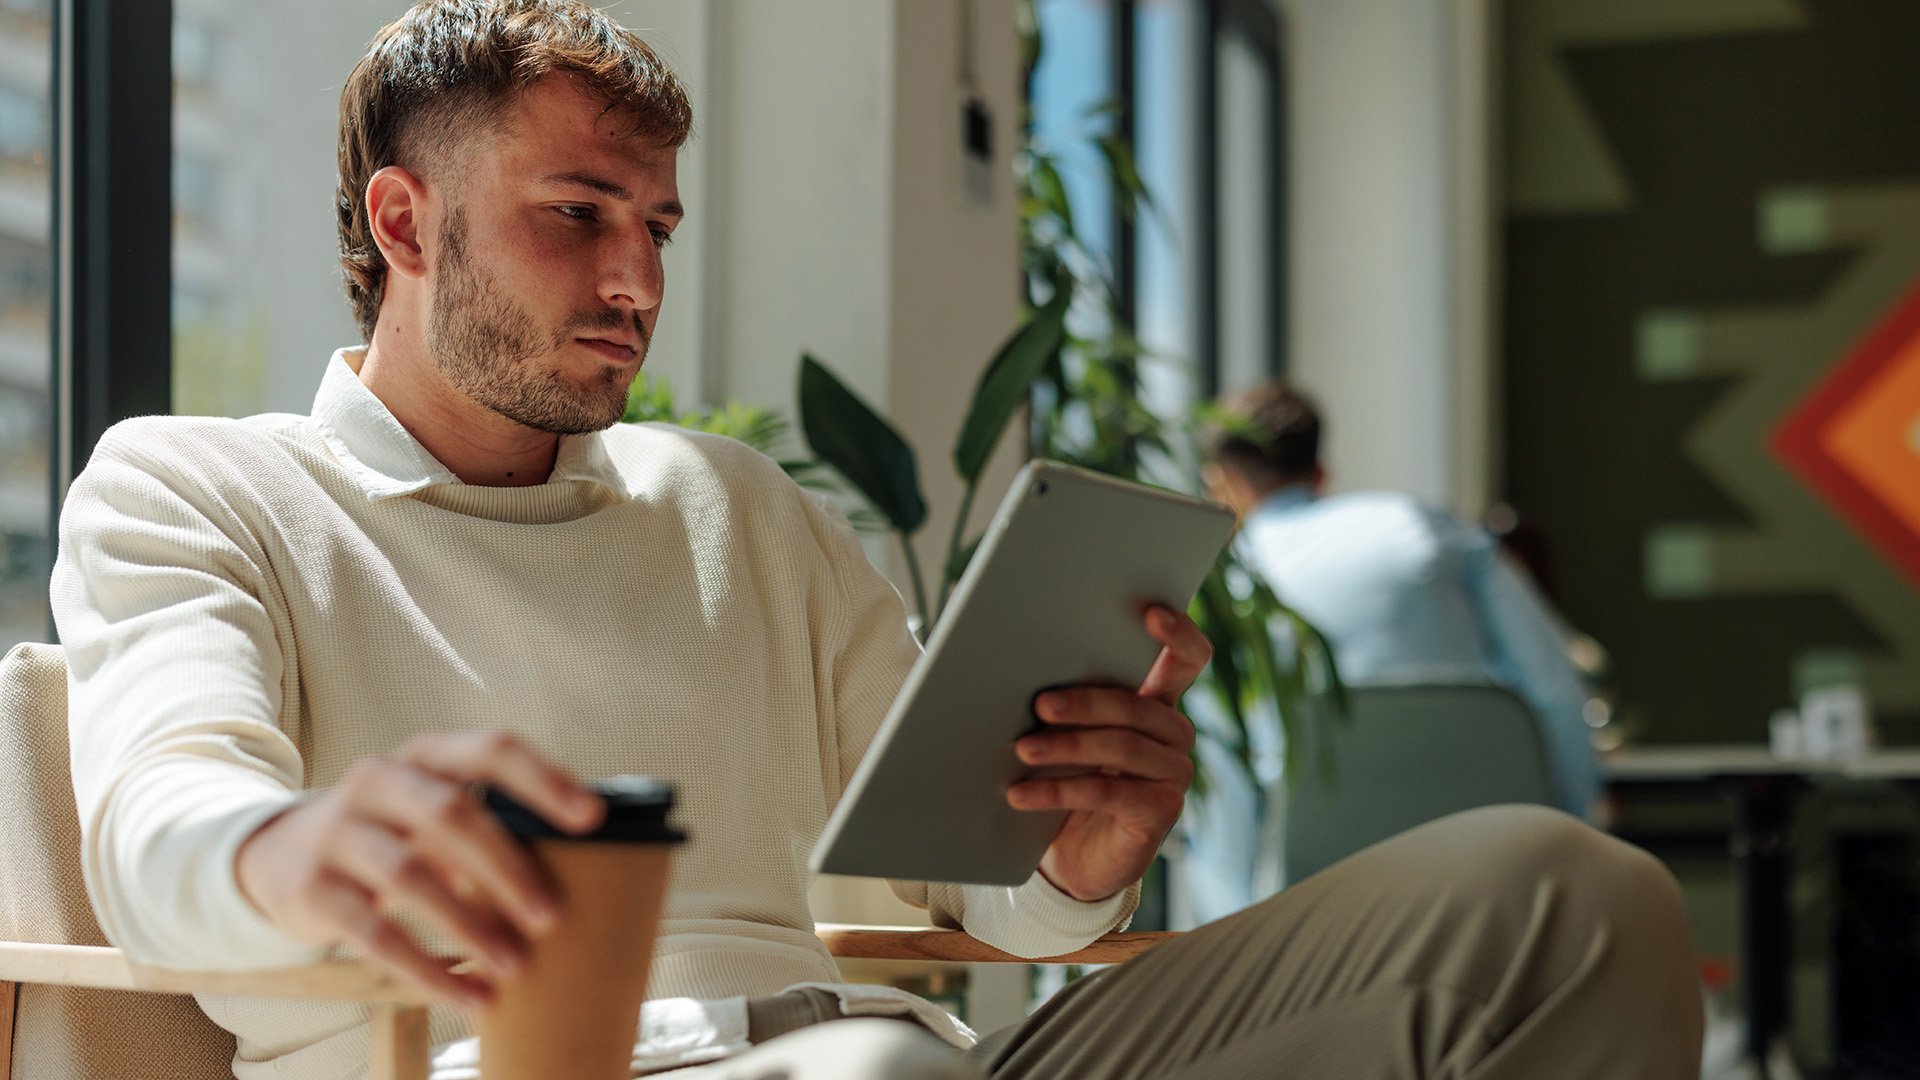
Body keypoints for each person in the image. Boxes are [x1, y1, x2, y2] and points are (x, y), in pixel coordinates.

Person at [50, 3, 1701, 1077]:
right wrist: (300, 847)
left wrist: (1079, 857)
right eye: (579, 214)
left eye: (659, 225)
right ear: (407, 221)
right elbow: (164, 825)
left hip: (901, 1055)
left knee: (1564, 898)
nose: (637, 278)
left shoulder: (739, 510)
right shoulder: (197, 488)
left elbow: (975, 900)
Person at [1202, 382, 1602, 819]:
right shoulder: (1433, 531)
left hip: (1321, 863)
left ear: (1223, 485)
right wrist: (1571, 822)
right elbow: (1554, 691)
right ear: (1321, 474)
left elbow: (1223, 768)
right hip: (1481, 844)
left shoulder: (1231, 589)